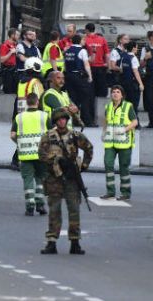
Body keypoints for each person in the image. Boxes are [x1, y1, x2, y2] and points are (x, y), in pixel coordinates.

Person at [38, 109, 93, 255]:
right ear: (55, 122)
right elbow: (41, 154)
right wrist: (56, 162)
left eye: (64, 119)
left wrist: (83, 166)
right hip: (54, 179)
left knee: (74, 210)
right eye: (59, 120)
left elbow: (89, 148)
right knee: (54, 211)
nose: (62, 121)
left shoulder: (75, 136)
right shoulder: (48, 137)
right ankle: (51, 242)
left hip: (71, 179)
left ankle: (75, 242)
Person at [11, 93, 50, 216]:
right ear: (37, 102)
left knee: (28, 180)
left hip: (25, 155)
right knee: (41, 179)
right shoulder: (44, 116)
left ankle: (30, 206)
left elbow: (12, 135)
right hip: (41, 154)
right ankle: (40, 204)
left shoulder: (19, 117)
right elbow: (51, 134)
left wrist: (19, 143)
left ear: (27, 103)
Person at [100, 85, 138, 200]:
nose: (115, 94)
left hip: (124, 142)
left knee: (124, 167)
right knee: (108, 164)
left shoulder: (128, 106)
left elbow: (135, 122)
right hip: (110, 142)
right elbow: (106, 121)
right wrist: (103, 132)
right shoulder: (108, 106)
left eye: (117, 92)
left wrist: (124, 130)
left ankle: (125, 193)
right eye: (113, 92)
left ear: (122, 95)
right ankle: (110, 191)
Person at [12, 57, 45, 169]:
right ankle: (19, 160)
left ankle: (16, 161)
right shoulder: (36, 82)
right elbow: (40, 98)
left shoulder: (22, 82)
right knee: (34, 137)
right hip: (33, 113)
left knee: (24, 137)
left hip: (21, 113)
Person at [62, 34, 93, 126]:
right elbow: (86, 64)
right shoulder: (82, 50)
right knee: (85, 98)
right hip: (79, 76)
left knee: (73, 99)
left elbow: (65, 64)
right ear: (80, 41)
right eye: (83, 40)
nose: (84, 42)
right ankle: (87, 121)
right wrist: (90, 76)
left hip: (68, 76)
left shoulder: (67, 50)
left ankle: (73, 121)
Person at [84, 23, 110, 126]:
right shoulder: (102, 39)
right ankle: (102, 117)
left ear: (87, 30)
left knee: (90, 94)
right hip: (101, 69)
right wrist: (108, 66)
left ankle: (91, 118)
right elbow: (107, 54)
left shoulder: (85, 40)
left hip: (89, 69)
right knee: (102, 94)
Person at [119, 41, 144, 121]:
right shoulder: (133, 58)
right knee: (134, 105)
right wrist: (141, 84)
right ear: (133, 48)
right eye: (136, 47)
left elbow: (121, 70)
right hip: (133, 85)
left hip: (125, 84)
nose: (137, 49)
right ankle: (135, 122)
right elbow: (136, 72)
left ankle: (127, 121)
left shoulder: (124, 57)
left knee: (126, 103)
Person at [0, 28, 20, 94]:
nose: (18, 37)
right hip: (7, 70)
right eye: (17, 35)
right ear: (12, 35)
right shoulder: (4, 45)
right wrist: (10, 52)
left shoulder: (14, 45)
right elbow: (2, 60)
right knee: (9, 91)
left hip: (14, 69)